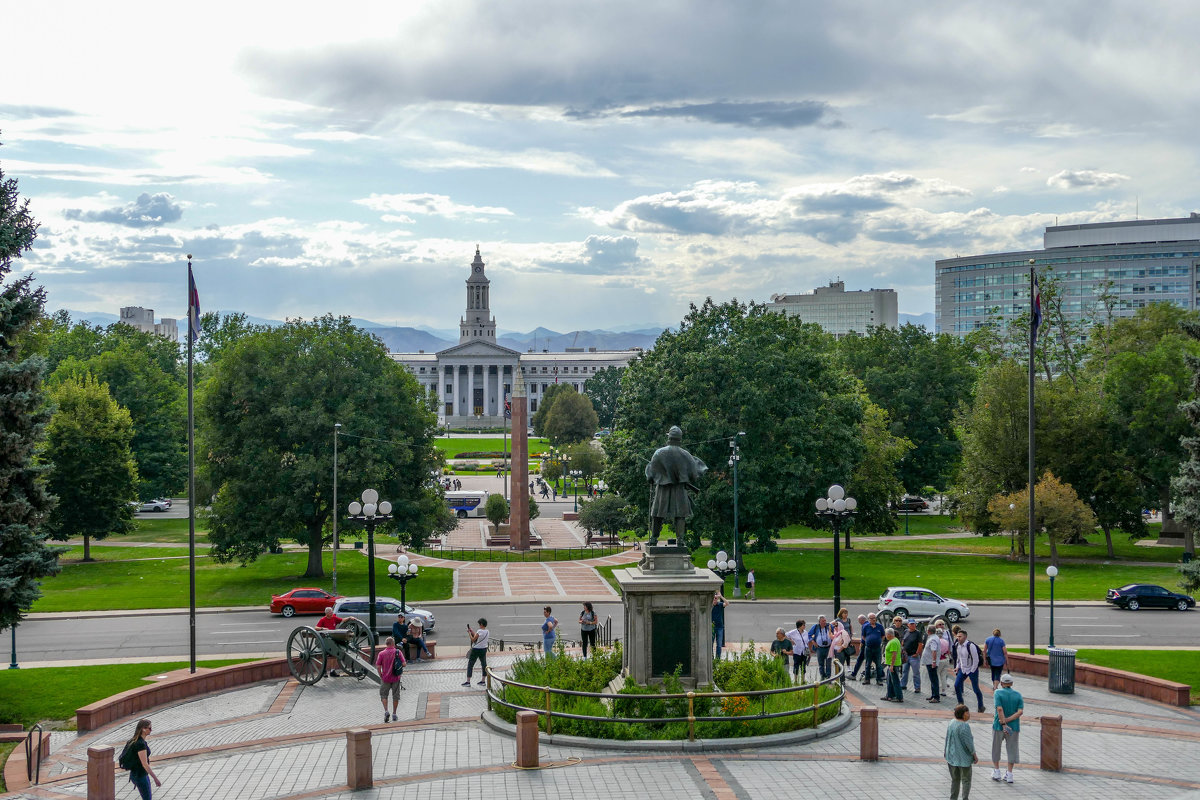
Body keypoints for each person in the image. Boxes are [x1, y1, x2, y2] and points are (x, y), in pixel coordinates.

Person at [644, 426, 708, 546]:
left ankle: (653, 539)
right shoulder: (686, 455)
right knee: (680, 515)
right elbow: (695, 474)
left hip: (663, 489)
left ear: (669, 438)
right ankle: (680, 540)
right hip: (679, 489)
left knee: (657, 514)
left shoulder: (659, 453)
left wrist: (651, 477)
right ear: (680, 439)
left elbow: (651, 474)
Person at [991, 673, 1024, 784]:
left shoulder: (998, 693)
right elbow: (1020, 712)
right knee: (1012, 749)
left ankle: (996, 771)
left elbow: (999, 709)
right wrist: (1009, 720)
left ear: (1001, 683)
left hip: (998, 726)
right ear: (1012, 683)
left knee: (996, 747)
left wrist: (1003, 721)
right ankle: (1009, 774)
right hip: (1014, 727)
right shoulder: (1018, 695)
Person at [944, 704, 978, 800]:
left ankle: (953, 798)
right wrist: (974, 755)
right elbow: (969, 743)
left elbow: (947, 738)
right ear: (962, 714)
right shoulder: (964, 726)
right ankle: (965, 798)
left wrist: (945, 752)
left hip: (951, 757)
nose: (969, 715)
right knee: (966, 780)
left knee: (955, 780)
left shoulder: (951, 723)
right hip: (963, 759)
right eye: (967, 713)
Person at [122, 719, 161, 800]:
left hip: (136, 774)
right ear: (143, 729)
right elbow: (145, 764)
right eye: (149, 728)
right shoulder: (140, 744)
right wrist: (155, 778)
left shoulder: (134, 740)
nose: (151, 730)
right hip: (140, 776)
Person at [953, 630, 986, 713]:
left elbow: (976, 659)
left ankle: (981, 706)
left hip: (972, 669)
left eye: (960, 636)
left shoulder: (970, 646)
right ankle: (960, 704)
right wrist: (957, 667)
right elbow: (959, 658)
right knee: (957, 685)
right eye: (957, 636)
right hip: (963, 669)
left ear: (965, 637)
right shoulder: (957, 645)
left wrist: (972, 670)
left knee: (975, 689)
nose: (958, 638)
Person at [375, 636, 406, 722]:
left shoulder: (381, 654)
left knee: (384, 695)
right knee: (395, 696)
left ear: (386, 644)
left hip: (385, 678)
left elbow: (378, 666)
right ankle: (394, 714)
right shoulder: (398, 652)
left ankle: (386, 711)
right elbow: (404, 664)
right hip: (396, 677)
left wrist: (380, 675)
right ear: (393, 644)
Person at [859, 613, 885, 685]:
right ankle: (867, 679)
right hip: (868, 648)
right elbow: (863, 636)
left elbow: (883, 635)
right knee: (868, 664)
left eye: (874, 618)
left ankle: (879, 680)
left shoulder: (880, 626)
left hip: (877, 648)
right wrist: (867, 641)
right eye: (872, 618)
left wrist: (879, 641)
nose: (874, 619)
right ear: (869, 619)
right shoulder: (866, 626)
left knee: (878, 664)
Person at [463, 618, 490, 687]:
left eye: (479, 624)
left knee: (470, 664)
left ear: (481, 624)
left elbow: (473, 639)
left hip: (476, 649)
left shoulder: (479, 631)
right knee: (484, 664)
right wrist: (472, 632)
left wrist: (469, 633)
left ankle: (468, 681)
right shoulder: (487, 631)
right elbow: (478, 637)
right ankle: (483, 681)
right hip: (483, 649)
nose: (479, 625)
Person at [318, 607, 344, 676]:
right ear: (327, 613)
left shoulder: (334, 618)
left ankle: (332, 670)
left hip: (333, 639)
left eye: (332, 612)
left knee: (334, 654)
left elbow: (342, 620)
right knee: (325, 656)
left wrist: (350, 618)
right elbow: (316, 628)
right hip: (325, 640)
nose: (332, 613)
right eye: (331, 612)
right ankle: (324, 671)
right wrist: (322, 628)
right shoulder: (323, 619)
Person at [808, 615, 834, 680]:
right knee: (821, 663)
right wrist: (813, 642)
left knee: (828, 663)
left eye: (825, 620)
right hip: (819, 648)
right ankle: (822, 676)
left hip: (828, 648)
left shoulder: (829, 626)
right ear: (819, 622)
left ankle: (828, 677)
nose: (825, 622)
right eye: (823, 621)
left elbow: (835, 632)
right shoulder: (816, 627)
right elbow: (809, 635)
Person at [901, 618, 923, 693]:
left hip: (914, 656)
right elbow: (903, 641)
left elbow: (920, 644)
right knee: (904, 671)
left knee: (916, 672)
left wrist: (917, 653)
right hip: (906, 656)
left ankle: (917, 687)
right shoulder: (906, 631)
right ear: (908, 625)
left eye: (913, 624)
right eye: (911, 624)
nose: (912, 625)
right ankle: (903, 685)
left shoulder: (918, 633)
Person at [922, 624, 942, 703]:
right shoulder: (934, 637)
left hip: (931, 662)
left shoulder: (933, 639)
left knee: (934, 679)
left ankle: (936, 697)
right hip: (930, 661)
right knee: (932, 679)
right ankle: (933, 695)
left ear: (928, 631)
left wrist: (933, 661)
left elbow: (934, 650)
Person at [882, 628, 904, 702]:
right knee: (890, 681)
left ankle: (899, 697)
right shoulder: (896, 640)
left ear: (889, 634)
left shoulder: (893, 642)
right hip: (892, 664)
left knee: (895, 681)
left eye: (886, 634)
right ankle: (889, 695)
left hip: (893, 665)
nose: (885, 636)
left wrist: (891, 665)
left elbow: (894, 654)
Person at [935, 619, 953, 695]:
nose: (942, 625)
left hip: (939, 658)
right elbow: (949, 645)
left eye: (943, 624)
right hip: (945, 657)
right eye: (940, 624)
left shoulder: (936, 639)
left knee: (937, 675)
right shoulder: (945, 641)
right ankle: (943, 690)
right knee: (943, 675)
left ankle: (937, 690)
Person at [848, 614, 868, 679]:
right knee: (872, 661)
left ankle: (854, 674)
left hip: (865, 646)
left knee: (860, 659)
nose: (859, 622)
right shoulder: (868, 625)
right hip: (870, 645)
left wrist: (861, 645)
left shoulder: (864, 626)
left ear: (862, 620)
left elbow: (863, 637)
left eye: (859, 620)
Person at [712, 593, 729, 660]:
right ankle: (711, 658)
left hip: (719, 627)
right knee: (710, 644)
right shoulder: (710, 606)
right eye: (713, 598)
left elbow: (727, 603)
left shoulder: (720, 605)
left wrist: (721, 596)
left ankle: (717, 659)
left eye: (716, 598)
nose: (715, 600)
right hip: (712, 627)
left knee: (719, 645)